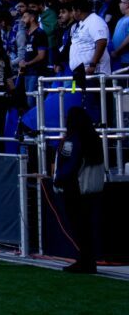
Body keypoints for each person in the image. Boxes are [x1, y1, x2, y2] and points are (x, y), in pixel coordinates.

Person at [53, 107, 104, 273]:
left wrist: (59, 180)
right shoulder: (94, 138)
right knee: (87, 226)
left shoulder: (73, 139)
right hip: (92, 188)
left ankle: (84, 261)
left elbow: (69, 163)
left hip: (74, 187)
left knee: (78, 225)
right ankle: (89, 260)